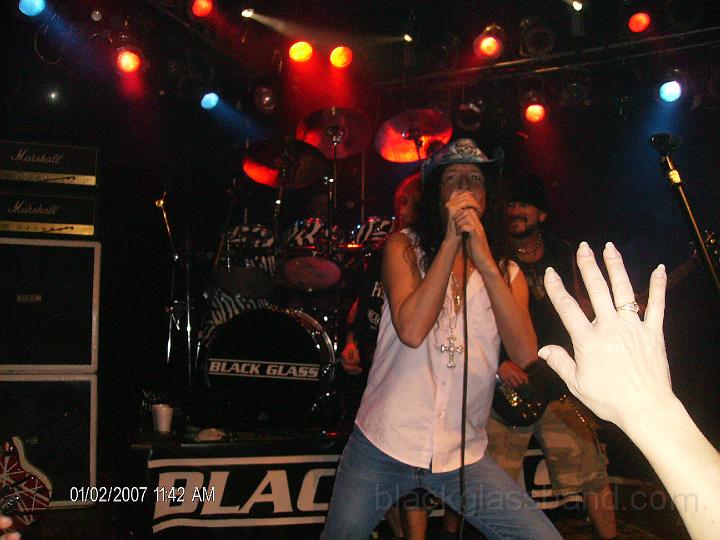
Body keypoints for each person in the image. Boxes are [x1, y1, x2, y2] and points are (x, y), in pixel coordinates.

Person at [321, 138, 561, 539]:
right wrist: (451, 242)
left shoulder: (507, 273)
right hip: (384, 444)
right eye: (452, 179)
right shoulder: (403, 248)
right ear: (437, 195)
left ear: (487, 198)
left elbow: (525, 355)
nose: (464, 186)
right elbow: (413, 331)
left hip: (461, 454)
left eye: (475, 179)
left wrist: (485, 262)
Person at [540, 241, 720, 540]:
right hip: (552, 374)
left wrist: (646, 405)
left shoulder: (559, 248)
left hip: (590, 365)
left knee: (592, 475)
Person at [485, 173, 618, 539]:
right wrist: (497, 361)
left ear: (541, 213)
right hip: (506, 383)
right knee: (487, 480)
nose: (516, 210)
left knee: (593, 472)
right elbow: (475, 315)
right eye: (511, 203)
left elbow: (581, 305)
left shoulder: (563, 252)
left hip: (556, 381)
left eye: (524, 204)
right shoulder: (491, 256)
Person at [340, 172, 460, 540]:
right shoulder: (391, 248)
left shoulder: (426, 256)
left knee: (410, 477)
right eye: (398, 203)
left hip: (411, 379)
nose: (401, 209)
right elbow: (364, 301)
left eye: (408, 202)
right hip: (376, 369)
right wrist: (350, 340)